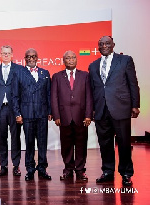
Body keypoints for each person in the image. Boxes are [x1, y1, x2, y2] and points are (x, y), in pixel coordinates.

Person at [89, 36, 140, 186]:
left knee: (124, 142)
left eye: (107, 43)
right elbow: (92, 89)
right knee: (104, 143)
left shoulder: (125, 60)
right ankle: (107, 171)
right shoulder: (93, 65)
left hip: (120, 107)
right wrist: (92, 109)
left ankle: (126, 173)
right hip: (100, 109)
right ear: (98, 47)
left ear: (113, 45)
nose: (104, 46)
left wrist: (135, 104)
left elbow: (133, 83)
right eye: (101, 44)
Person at [51, 50, 93, 181]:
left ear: (76, 60)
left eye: (73, 57)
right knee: (66, 145)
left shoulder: (85, 76)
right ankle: (68, 169)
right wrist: (56, 115)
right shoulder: (57, 76)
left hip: (81, 117)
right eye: (68, 58)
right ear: (63, 61)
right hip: (64, 117)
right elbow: (54, 98)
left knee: (81, 144)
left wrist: (88, 115)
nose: (71, 60)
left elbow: (89, 97)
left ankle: (80, 170)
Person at [12, 48, 52, 181]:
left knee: (42, 143)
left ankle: (42, 168)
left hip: (42, 114)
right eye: (28, 56)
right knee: (29, 144)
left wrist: (50, 111)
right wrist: (17, 113)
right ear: (25, 58)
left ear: (37, 58)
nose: (31, 58)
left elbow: (48, 94)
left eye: (33, 56)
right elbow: (15, 96)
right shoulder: (19, 73)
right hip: (27, 114)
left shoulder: (45, 73)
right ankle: (30, 169)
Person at [0, 45, 22, 177]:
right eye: (4, 53)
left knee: (15, 138)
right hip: (0, 109)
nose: (6, 55)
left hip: (14, 109)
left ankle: (16, 165)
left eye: (8, 53)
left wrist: (20, 111)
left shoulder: (19, 69)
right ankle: (3, 166)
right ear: (0, 55)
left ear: (12, 55)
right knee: (2, 138)